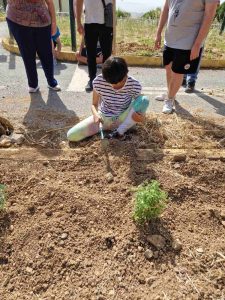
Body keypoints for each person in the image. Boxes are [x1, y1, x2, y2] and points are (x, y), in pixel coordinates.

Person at [154, 0, 219, 114]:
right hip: (170, 38)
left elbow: (209, 16)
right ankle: (171, 94)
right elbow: (166, 8)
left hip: (188, 41)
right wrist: (158, 32)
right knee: (169, 68)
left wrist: (197, 44)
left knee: (178, 72)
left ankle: (169, 99)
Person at [67, 57, 149, 142]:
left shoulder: (134, 84)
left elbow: (139, 105)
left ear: (126, 75)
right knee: (71, 135)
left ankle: (120, 131)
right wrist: (96, 115)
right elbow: (94, 104)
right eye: (111, 83)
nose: (114, 87)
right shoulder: (98, 81)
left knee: (144, 99)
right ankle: (118, 129)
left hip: (123, 117)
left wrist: (141, 117)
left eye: (119, 83)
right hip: (103, 119)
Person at [6, 0, 61, 93]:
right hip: (17, 20)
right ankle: (33, 84)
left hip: (42, 20)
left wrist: (54, 24)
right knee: (27, 53)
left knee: (46, 53)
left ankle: (51, 81)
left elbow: (50, 2)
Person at [75, 0, 113, 92]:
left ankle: (107, 79)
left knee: (107, 53)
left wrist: (114, 22)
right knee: (90, 53)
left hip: (106, 21)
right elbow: (79, 2)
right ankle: (92, 79)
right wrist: (79, 22)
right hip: (89, 22)